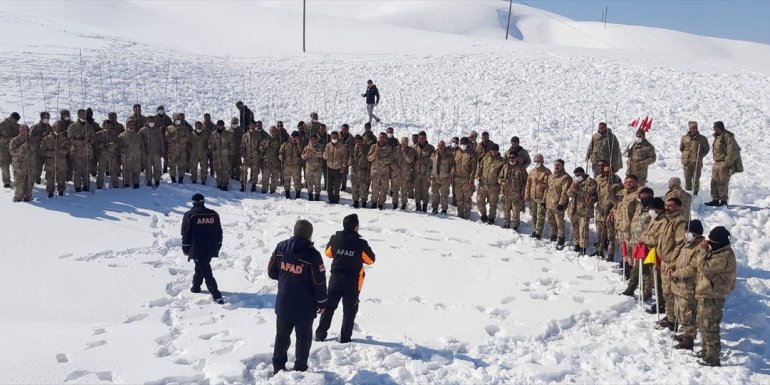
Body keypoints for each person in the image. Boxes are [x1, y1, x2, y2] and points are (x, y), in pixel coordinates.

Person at [268, 219, 328, 374]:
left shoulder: (281, 248)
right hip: (305, 306)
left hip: (284, 302)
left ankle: (278, 366)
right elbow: (319, 282)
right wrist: (322, 303)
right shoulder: (312, 255)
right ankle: (300, 368)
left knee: (282, 336)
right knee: (303, 338)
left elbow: (272, 272)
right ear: (309, 235)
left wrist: (286, 277)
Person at [315, 214, 375, 343]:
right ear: (355, 227)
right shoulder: (360, 243)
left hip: (335, 280)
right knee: (349, 311)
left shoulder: (335, 238)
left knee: (329, 308)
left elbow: (328, 253)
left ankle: (320, 335)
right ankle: (345, 339)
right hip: (352, 282)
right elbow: (370, 260)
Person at [695, 226, 736, 367]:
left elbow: (703, 267)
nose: (709, 243)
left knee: (710, 326)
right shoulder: (718, 251)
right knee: (702, 323)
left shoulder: (724, 256)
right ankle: (705, 351)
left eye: (712, 241)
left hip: (714, 295)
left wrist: (703, 250)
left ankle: (713, 357)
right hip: (706, 292)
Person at [667, 219, 705, 351]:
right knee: (680, 311)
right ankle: (684, 333)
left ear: (696, 233)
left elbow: (692, 269)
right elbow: (679, 260)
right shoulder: (687, 244)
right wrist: (672, 266)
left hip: (689, 286)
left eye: (689, 231)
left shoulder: (700, 248)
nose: (686, 234)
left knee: (687, 312)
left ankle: (689, 339)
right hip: (680, 285)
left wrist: (675, 273)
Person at [181, 193, 224, 305]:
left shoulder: (189, 215)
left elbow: (185, 233)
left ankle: (216, 295)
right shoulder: (213, 214)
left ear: (193, 202)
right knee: (200, 267)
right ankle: (196, 287)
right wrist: (218, 245)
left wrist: (185, 248)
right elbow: (219, 231)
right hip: (211, 247)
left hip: (197, 248)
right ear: (203, 201)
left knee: (206, 271)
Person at [653, 197, 687, 324]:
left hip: (672, 263)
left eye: (670, 206)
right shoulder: (666, 220)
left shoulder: (679, 222)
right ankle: (670, 315)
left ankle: (674, 319)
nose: (667, 208)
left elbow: (680, 244)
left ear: (678, 207)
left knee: (672, 292)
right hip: (664, 261)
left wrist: (673, 262)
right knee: (666, 291)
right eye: (666, 205)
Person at [621, 191, 657, 300]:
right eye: (642, 197)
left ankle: (631, 288)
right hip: (636, 243)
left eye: (647, 197)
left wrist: (645, 239)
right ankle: (647, 291)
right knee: (645, 270)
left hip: (647, 244)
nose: (644, 199)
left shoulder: (653, 211)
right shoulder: (639, 208)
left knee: (637, 269)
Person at [706, 121, 742, 207]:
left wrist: (727, 163)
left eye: (715, 128)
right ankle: (715, 199)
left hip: (723, 162)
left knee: (723, 182)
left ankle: (723, 201)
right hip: (716, 162)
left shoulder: (727, 136)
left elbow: (734, 150)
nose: (714, 130)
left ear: (720, 128)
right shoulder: (717, 137)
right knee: (714, 182)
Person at [608, 175, 640, 271]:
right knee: (623, 247)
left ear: (636, 183)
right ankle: (625, 263)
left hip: (629, 227)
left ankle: (631, 268)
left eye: (630, 182)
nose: (627, 184)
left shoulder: (637, 195)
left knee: (630, 249)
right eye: (626, 182)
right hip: (620, 226)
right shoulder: (623, 193)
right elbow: (617, 203)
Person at [594, 161, 622, 260]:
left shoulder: (617, 181)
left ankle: (610, 254)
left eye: (608, 172)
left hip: (611, 212)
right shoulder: (598, 179)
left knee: (611, 236)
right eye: (605, 172)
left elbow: (618, 199)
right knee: (599, 234)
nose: (606, 174)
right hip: (600, 210)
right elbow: (595, 193)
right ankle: (599, 250)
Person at [566, 167, 597, 254]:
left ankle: (583, 247)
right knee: (574, 228)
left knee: (583, 230)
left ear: (583, 173)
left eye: (579, 175)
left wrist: (578, 190)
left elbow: (590, 194)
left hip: (584, 210)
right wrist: (572, 188)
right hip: (574, 209)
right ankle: (576, 245)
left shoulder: (591, 182)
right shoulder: (575, 181)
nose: (577, 177)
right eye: (576, 175)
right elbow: (568, 194)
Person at [545, 159, 573, 249]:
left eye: (558, 165)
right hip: (550, 203)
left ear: (563, 166)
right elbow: (548, 189)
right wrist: (545, 200)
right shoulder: (551, 176)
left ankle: (561, 239)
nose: (556, 166)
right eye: (555, 165)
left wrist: (561, 203)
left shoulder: (566, 177)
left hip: (558, 204)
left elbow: (565, 192)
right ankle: (554, 235)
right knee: (550, 220)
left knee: (559, 222)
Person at [498, 151, 528, 230]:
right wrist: (502, 182)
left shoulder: (521, 168)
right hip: (506, 193)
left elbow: (526, 181)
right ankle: (506, 223)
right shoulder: (505, 167)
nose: (512, 159)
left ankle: (515, 225)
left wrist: (523, 193)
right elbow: (499, 177)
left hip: (516, 194)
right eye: (510, 158)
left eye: (513, 157)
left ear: (517, 158)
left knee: (516, 210)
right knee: (506, 209)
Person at [524, 154, 551, 239]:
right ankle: (535, 230)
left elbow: (548, 186)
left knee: (540, 216)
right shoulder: (532, 171)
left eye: (538, 161)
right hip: (532, 197)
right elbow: (528, 184)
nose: (536, 162)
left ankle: (538, 232)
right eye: (535, 161)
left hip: (541, 198)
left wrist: (544, 198)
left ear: (542, 161)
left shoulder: (546, 172)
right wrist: (526, 195)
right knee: (534, 215)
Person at [476, 142, 504, 223]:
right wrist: (477, 173)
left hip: (494, 186)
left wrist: (501, 183)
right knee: (480, 200)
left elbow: (503, 173)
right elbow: (480, 167)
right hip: (483, 184)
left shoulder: (501, 161)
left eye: (495, 150)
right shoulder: (485, 158)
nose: (494, 152)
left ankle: (491, 218)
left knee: (493, 203)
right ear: (490, 151)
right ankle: (483, 215)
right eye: (492, 150)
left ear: (498, 151)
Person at [41, 121, 70, 197]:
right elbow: (42, 151)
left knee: (61, 178)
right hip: (50, 162)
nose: (57, 129)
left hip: (61, 162)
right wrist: (51, 152)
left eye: (58, 127)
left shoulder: (64, 139)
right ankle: (50, 192)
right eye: (55, 127)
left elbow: (68, 150)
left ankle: (61, 191)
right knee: (50, 178)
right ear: (52, 128)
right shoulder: (46, 139)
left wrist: (60, 151)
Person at [679, 121, 709, 195]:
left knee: (696, 179)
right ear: (690, 129)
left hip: (696, 162)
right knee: (687, 179)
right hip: (687, 162)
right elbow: (681, 148)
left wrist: (700, 156)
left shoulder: (702, 139)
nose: (695, 129)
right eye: (693, 128)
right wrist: (685, 155)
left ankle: (695, 195)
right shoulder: (684, 138)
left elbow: (706, 149)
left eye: (696, 128)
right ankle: (688, 194)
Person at [368, 132, 394, 209]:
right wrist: (374, 154)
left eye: (383, 137)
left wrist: (382, 160)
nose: (382, 139)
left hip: (384, 172)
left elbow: (391, 159)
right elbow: (369, 158)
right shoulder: (373, 147)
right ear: (378, 138)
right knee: (374, 188)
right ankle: (374, 202)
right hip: (375, 171)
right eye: (381, 137)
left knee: (384, 188)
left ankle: (381, 203)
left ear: (386, 139)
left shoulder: (389, 148)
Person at [430, 140, 455, 215]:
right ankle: (435, 209)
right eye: (439, 146)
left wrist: (450, 176)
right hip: (435, 177)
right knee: (435, 194)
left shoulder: (449, 155)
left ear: (445, 146)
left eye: (442, 146)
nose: (440, 147)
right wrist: (430, 174)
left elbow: (452, 166)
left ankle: (444, 210)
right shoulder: (434, 154)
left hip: (445, 178)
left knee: (444, 195)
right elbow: (430, 164)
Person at [454, 137, 476, 219]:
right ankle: (460, 215)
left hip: (466, 179)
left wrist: (471, 179)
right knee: (459, 198)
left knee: (467, 198)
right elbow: (453, 163)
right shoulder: (457, 152)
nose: (463, 145)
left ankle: (467, 216)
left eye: (465, 144)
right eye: (462, 144)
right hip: (457, 179)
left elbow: (473, 168)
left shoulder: (471, 153)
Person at [324, 131, 349, 204]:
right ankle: (330, 198)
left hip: (337, 168)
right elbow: (324, 157)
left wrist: (343, 167)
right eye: (332, 137)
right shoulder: (328, 145)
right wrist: (327, 154)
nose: (334, 139)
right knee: (329, 185)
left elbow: (345, 158)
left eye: (335, 137)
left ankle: (336, 198)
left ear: (337, 137)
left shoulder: (342, 146)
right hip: (329, 167)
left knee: (337, 185)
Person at [117, 120, 143, 189]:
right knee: (126, 173)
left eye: (133, 125)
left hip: (136, 158)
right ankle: (126, 187)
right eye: (130, 125)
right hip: (127, 158)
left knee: (136, 173)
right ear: (127, 125)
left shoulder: (137, 135)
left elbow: (141, 146)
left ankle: (136, 186)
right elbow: (118, 147)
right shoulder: (122, 135)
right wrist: (124, 150)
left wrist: (142, 156)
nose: (132, 126)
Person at [412, 131, 434, 212]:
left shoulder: (430, 148)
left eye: (423, 138)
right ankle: (418, 206)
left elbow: (433, 160)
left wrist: (424, 160)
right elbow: (411, 159)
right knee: (417, 191)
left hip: (426, 173)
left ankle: (424, 207)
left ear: (426, 138)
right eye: (420, 138)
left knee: (425, 191)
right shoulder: (414, 147)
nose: (421, 140)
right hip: (416, 173)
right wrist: (414, 162)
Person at [166, 113, 191, 184]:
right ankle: (173, 178)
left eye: (179, 119)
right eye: (176, 119)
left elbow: (188, 137)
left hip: (182, 150)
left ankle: (181, 179)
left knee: (182, 165)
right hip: (172, 150)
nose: (178, 120)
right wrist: (172, 139)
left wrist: (181, 140)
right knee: (172, 165)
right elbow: (166, 137)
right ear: (173, 119)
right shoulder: (169, 128)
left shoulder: (185, 128)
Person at [139, 116, 164, 188]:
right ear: (147, 122)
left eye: (152, 122)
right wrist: (142, 152)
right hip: (147, 153)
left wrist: (162, 150)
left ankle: (157, 180)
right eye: (150, 122)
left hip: (156, 152)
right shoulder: (142, 130)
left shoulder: (157, 130)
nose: (151, 123)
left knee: (157, 167)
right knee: (148, 168)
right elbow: (140, 142)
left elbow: (161, 140)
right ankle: (149, 181)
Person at [9, 124, 32, 202]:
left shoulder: (31, 139)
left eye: (28, 130)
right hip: (20, 165)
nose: (26, 131)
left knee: (30, 182)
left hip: (31, 164)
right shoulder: (15, 140)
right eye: (24, 129)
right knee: (19, 182)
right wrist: (22, 147)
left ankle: (28, 196)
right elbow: (12, 152)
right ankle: (18, 198)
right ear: (20, 130)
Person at [29, 111, 51, 184]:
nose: (47, 119)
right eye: (45, 117)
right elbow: (30, 138)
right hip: (38, 151)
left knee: (49, 166)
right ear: (41, 118)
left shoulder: (49, 127)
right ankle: (36, 179)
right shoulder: (35, 127)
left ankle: (48, 180)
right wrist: (41, 136)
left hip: (48, 150)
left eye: (48, 117)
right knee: (38, 166)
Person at [210, 120, 233, 191]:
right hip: (217, 156)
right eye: (219, 125)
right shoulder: (213, 134)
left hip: (225, 156)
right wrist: (211, 147)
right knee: (218, 171)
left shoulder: (228, 134)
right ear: (217, 126)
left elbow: (232, 144)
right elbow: (209, 143)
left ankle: (225, 185)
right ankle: (219, 184)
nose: (220, 126)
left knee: (225, 171)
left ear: (223, 125)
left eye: (221, 125)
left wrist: (229, 152)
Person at [280, 131, 303, 199]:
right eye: (293, 137)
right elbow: (281, 152)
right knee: (286, 180)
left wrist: (298, 143)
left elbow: (301, 152)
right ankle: (287, 194)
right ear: (291, 136)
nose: (294, 138)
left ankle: (298, 194)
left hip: (296, 165)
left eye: (296, 137)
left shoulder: (299, 144)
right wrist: (281, 156)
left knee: (297, 180)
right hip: (287, 165)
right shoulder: (285, 144)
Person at [349, 135, 371, 208]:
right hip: (355, 171)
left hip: (363, 172)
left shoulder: (366, 150)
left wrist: (368, 173)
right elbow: (350, 163)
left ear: (362, 142)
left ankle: (364, 202)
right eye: (356, 141)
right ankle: (355, 201)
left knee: (364, 188)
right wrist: (350, 160)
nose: (358, 143)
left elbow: (369, 162)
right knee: (354, 188)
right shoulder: (353, 150)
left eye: (359, 141)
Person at [0, 112, 21, 188]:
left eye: (17, 121)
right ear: (11, 118)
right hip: (3, 149)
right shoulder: (2, 125)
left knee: (16, 165)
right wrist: (5, 139)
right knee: (4, 166)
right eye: (15, 120)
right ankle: (6, 181)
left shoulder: (18, 126)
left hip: (14, 149)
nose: (16, 122)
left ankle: (18, 180)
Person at [302, 134, 324, 200]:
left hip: (317, 168)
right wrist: (306, 155)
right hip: (309, 168)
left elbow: (323, 155)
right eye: (312, 139)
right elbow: (302, 156)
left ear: (317, 140)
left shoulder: (320, 147)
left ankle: (317, 196)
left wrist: (314, 153)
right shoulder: (307, 147)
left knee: (317, 183)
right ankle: (310, 197)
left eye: (314, 139)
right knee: (309, 183)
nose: (313, 140)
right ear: (310, 140)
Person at [261, 126, 282, 194]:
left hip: (276, 162)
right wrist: (265, 146)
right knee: (265, 177)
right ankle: (264, 189)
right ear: (270, 131)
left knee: (275, 177)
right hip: (267, 161)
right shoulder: (266, 139)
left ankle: (273, 189)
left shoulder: (279, 140)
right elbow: (260, 149)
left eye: (275, 131)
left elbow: (282, 149)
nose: (273, 132)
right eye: (272, 131)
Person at [229, 117, 244, 181]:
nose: (234, 125)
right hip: (230, 152)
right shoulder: (228, 131)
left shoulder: (241, 131)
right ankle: (231, 177)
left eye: (235, 123)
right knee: (230, 165)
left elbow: (244, 141)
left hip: (238, 152)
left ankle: (238, 177)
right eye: (233, 123)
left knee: (238, 166)